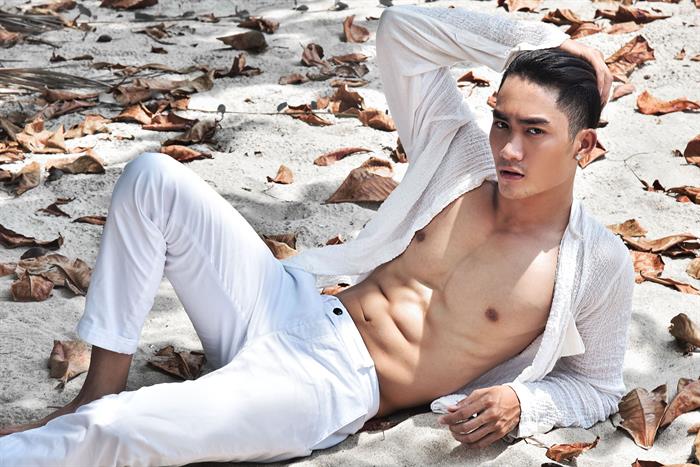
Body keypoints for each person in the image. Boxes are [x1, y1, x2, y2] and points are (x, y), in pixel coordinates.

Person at [0, 3, 633, 466]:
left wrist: (525, 404)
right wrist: (544, 43)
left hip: (329, 384)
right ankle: (96, 388)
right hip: (290, 301)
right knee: (151, 177)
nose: (508, 149)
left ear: (584, 146)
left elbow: (596, 385)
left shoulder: (594, 262)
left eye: (534, 131)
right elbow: (402, 30)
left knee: (119, 430)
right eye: (501, 123)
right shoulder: (461, 157)